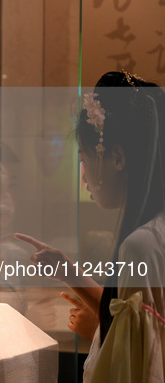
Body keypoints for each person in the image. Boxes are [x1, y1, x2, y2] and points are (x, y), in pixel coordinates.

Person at [16, 71, 165, 382]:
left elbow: (139, 366)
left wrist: (100, 331)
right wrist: (70, 274)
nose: (83, 175)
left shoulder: (142, 243)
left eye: (83, 157)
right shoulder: (154, 231)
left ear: (118, 158)